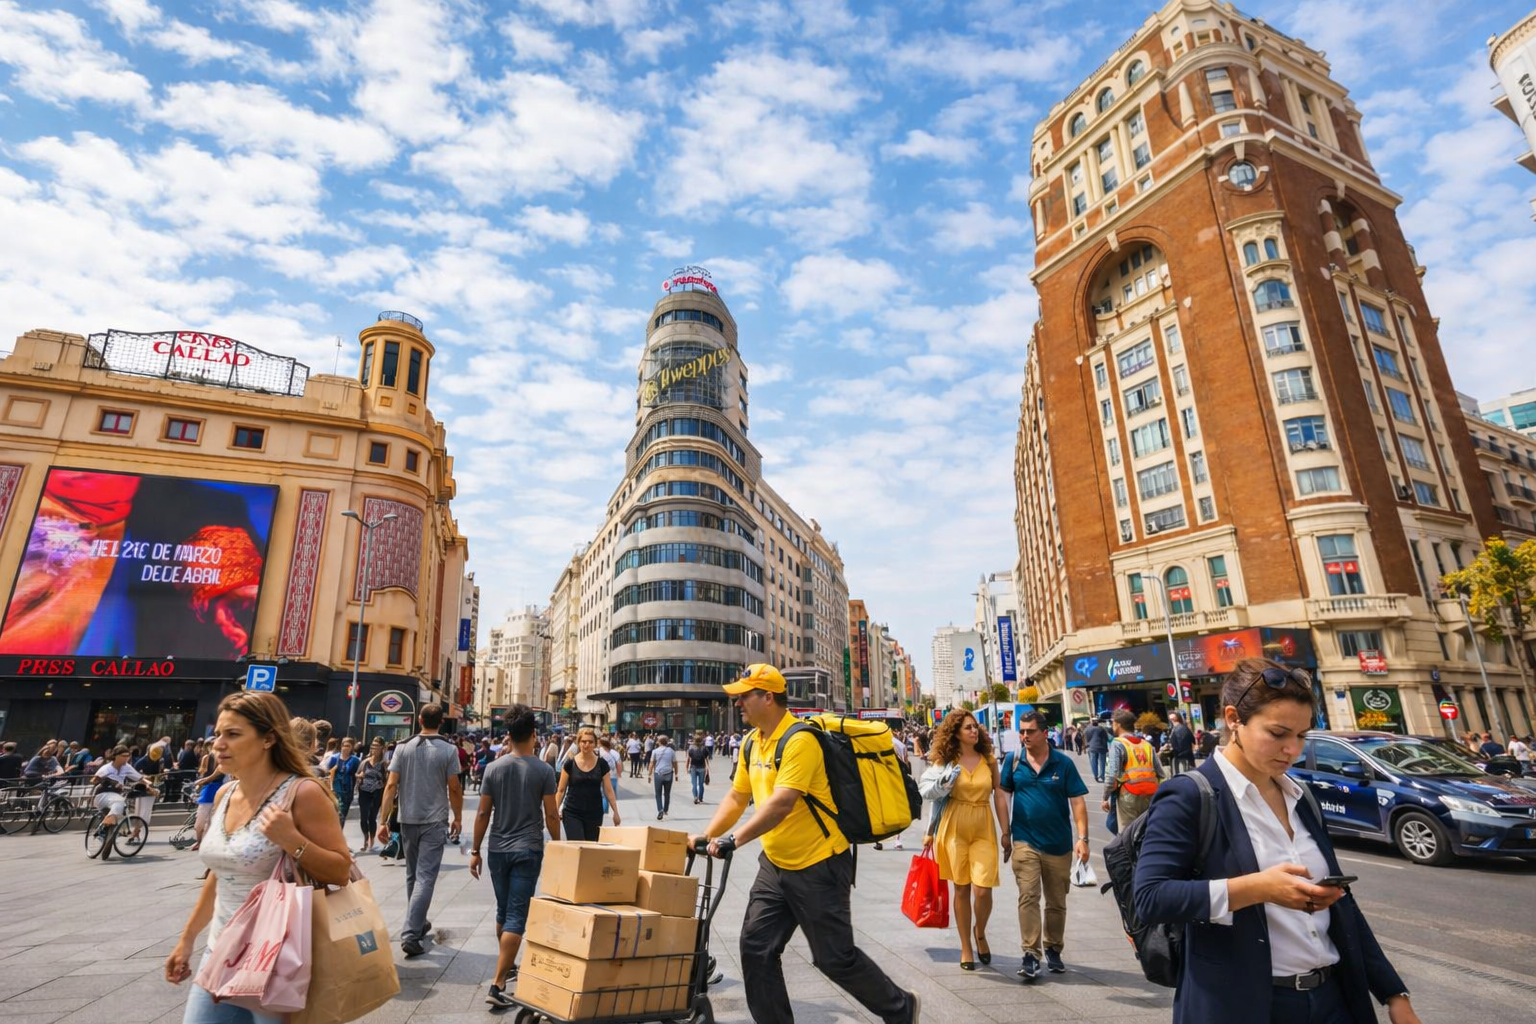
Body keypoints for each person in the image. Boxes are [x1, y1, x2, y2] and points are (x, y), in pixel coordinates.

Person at [1133, 659, 1421, 1024]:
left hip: (1332, 1001)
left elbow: (1343, 909)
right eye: (1278, 733)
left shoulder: (1301, 797)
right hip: (1243, 1005)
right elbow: (1151, 897)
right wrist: (1258, 888)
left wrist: (1393, 993)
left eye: (1301, 736)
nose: (1292, 749)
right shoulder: (1189, 796)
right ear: (1234, 718)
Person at [690, 664, 920, 1024]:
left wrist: (735, 839)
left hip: (819, 864)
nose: (737, 703)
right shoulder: (752, 742)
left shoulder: (800, 740)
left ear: (768, 697)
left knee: (834, 958)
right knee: (756, 948)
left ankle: (901, 1007)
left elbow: (783, 802)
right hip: (776, 864)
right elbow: (737, 796)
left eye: (744, 696)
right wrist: (707, 835)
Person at [164, 691, 352, 1023]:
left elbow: (340, 870)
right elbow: (219, 876)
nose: (218, 744)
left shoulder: (303, 793)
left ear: (268, 739)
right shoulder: (225, 793)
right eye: (218, 734)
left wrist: (291, 840)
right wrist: (187, 938)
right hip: (220, 950)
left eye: (233, 734)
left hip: (278, 957)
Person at [472, 704, 560, 1009]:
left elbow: (483, 812)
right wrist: (559, 846)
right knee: (515, 917)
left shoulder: (493, 768)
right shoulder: (544, 770)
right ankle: (498, 984)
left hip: (496, 849)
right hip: (527, 849)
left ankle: (506, 965)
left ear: (508, 735)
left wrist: (474, 851)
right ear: (534, 735)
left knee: (503, 911)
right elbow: (551, 814)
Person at [1001, 710, 1089, 983]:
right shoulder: (1013, 761)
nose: (1024, 736)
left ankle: (1052, 948)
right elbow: (1002, 796)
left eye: (1029, 731)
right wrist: (1005, 833)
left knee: (1056, 901)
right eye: (1022, 731)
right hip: (1025, 841)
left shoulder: (1063, 764)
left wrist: (1082, 838)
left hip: (1059, 844)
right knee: (1028, 895)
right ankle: (1030, 954)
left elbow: (1077, 802)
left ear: (1044, 732)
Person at [924, 710, 1010, 971]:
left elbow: (999, 795)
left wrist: (1006, 832)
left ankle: (980, 931)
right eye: (968, 728)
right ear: (956, 733)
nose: (974, 731)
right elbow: (932, 794)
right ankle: (965, 946)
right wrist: (930, 830)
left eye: (975, 727)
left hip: (983, 824)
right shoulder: (946, 761)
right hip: (954, 825)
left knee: (983, 888)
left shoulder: (989, 759)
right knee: (961, 887)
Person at [375, 704, 463, 957]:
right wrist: (457, 817)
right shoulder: (448, 750)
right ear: (441, 722)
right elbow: (454, 787)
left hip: (407, 819)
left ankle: (419, 921)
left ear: (420, 720)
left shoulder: (403, 748)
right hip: (434, 820)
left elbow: (391, 785)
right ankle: (411, 934)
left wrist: (383, 821)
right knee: (425, 877)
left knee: (413, 876)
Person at [1102, 709, 1163, 835]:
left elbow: (1112, 774)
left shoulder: (1117, 743)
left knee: (1127, 835)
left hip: (1128, 794)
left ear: (1118, 724)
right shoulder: (1146, 745)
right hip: (1150, 793)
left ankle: (1131, 854)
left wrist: (1105, 797)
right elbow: (1160, 773)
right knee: (1146, 831)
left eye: (1113, 723)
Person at [555, 726, 621, 840]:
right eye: (583, 741)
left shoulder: (602, 764)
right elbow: (560, 790)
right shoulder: (570, 764)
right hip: (572, 812)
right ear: (579, 743)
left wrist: (616, 812)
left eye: (590, 742)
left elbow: (609, 790)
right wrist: (555, 811)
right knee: (577, 845)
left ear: (595, 744)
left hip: (594, 812)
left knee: (590, 849)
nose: (587, 744)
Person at [92, 746, 158, 834]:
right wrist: (112, 782)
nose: (126, 758)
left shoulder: (126, 767)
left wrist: (147, 783)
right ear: (115, 756)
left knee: (122, 806)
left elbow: (139, 777)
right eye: (123, 756)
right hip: (103, 794)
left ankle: (116, 831)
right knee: (120, 803)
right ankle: (104, 826)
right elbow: (95, 780)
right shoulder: (107, 768)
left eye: (128, 756)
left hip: (117, 795)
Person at [329, 737, 360, 824]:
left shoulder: (355, 760)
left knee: (342, 814)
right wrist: (331, 787)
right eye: (343, 745)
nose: (345, 748)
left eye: (348, 746)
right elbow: (329, 773)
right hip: (335, 789)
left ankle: (338, 832)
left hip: (347, 790)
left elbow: (356, 774)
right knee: (334, 813)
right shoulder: (334, 758)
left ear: (352, 747)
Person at [649, 733, 677, 820]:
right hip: (669, 774)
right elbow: (675, 763)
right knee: (667, 793)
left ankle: (660, 810)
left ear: (660, 742)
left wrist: (649, 774)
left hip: (658, 774)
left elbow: (652, 763)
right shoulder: (671, 751)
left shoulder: (655, 751)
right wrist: (676, 773)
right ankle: (665, 809)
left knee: (658, 794)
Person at [1165, 711, 1196, 775]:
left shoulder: (1174, 730)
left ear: (1171, 720)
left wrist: (1169, 747)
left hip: (1177, 755)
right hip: (1189, 755)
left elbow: (1173, 744)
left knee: (1178, 773)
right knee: (1191, 773)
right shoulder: (1186, 728)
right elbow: (1193, 741)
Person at [1083, 718, 1110, 784]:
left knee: (1093, 762)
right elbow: (1106, 738)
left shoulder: (1087, 729)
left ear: (1091, 722)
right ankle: (1102, 776)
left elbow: (1084, 738)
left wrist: (1085, 746)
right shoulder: (1102, 729)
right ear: (1097, 723)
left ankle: (1095, 775)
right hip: (1102, 748)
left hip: (1092, 748)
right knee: (1102, 762)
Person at [686, 732, 710, 805]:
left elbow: (688, 758)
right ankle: (700, 798)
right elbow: (706, 759)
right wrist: (708, 768)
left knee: (694, 784)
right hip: (702, 767)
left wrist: (686, 767)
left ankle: (695, 797)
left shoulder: (691, 747)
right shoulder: (704, 748)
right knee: (701, 784)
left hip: (693, 767)